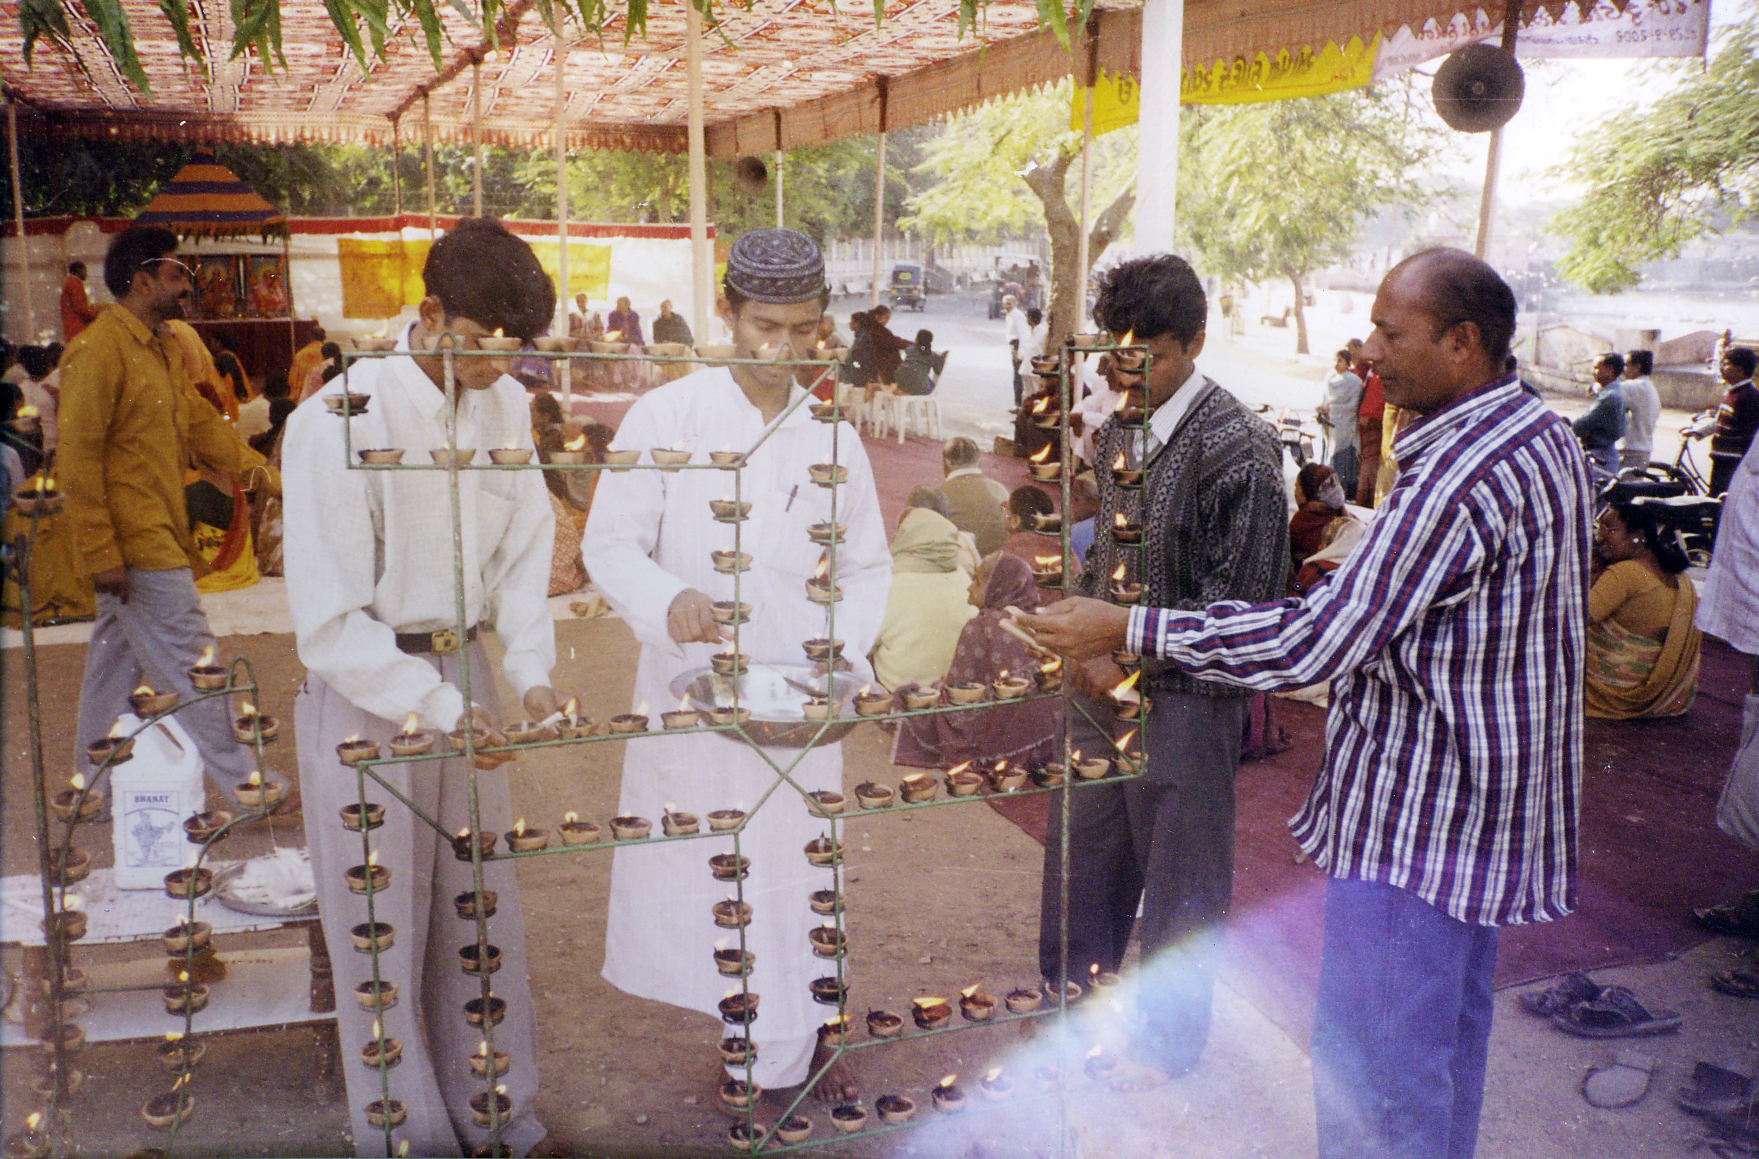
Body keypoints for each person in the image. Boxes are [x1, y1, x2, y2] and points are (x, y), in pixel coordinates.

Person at [1025, 247, 1590, 1159]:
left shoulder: (1455, 473)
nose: (1368, 352)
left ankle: (1168, 1038)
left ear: (1461, 342)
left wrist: (1126, 633)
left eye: (1390, 333)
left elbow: (1311, 635)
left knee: (1373, 1071)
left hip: (1418, 816)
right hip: (1466, 805)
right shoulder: (1531, 434)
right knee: (1428, 1058)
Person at [580, 227, 889, 1106]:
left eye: (801, 330)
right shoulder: (665, 417)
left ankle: (801, 1035)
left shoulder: (833, 434)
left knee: (800, 867)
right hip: (696, 687)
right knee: (712, 869)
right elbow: (610, 544)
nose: (781, 349)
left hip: (798, 695)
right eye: (763, 327)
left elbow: (866, 566)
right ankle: (748, 1036)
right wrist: (667, 596)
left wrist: (841, 660)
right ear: (726, 313)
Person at [281, 217, 564, 1158]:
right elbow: (328, 620)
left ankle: (498, 1117)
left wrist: (529, 673)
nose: (498, 365)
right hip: (368, 689)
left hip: (467, 672)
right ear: (432, 313)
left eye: (514, 348)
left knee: (480, 912)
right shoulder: (337, 420)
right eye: (482, 342)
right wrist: (439, 703)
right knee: (382, 934)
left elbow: (523, 552)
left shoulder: (505, 404)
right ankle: (409, 1140)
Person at [1032, 252, 1287, 1090]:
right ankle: (1073, 1008)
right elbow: (1101, 556)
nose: (1124, 373)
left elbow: (1245, 620)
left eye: (1149, 356)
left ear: (1196, 342)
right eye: (1114, 353)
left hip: (1187, 709)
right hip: (1097, 695)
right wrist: (1080, 638)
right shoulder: (1115, 433)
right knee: (1083, 857)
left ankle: (1166, 1044)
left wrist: (1120, 650)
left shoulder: (1240, 451)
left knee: (1181, 884)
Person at [57, 225, 288, 809]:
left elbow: (202, 426)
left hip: (157, 530)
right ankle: (251, 787)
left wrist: (269, 478)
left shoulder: (161, 348)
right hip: (135, 543)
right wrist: (100, 552)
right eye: (176, 274)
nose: (188, 285)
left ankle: (88, 792)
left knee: (112, 670)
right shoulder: (97, 350)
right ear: (142, 282)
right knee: (195, 660)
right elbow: (76, 461)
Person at [891, 551, 1062, 770]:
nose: (969, 587)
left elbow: (959, 702)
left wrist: (938, 690)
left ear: (995, 589)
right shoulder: (1038, 620)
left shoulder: (980, 627)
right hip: (1045, 740)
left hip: (999, 741)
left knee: (911, 700)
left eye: (977, 582)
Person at [1586, 486, 1701, 719]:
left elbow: (1575, 620)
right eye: (1600, 528)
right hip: (1663, 694)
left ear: (1638, 536)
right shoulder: (1681, 576)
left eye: (1611, 529)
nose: (1600, 537)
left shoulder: (1626, 572)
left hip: (1615, 689)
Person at [871, 490, 976, 691]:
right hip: (958, 691)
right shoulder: (962, 575)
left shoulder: (891, 582)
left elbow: (865, 641)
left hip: (903, 695)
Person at [935, 435, 1010, 558]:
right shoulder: (1000, 489)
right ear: (978, 461)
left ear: (947, 462)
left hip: (960, 562)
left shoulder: (938, 493)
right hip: (999, 561)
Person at [1710, 346, 1758, 497]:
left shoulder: (1748, 397)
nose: (1722, 368)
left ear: (1739, 369)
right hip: (1721, 459)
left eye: (1726, 364)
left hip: (1732, 464)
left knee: (1722, 501)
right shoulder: (1732, 393)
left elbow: (1750, 435)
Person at [1317, 349, 1362, 497]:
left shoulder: (1354, 381)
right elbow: (1324, 399)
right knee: (1326, 458)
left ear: (1348, 363)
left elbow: (1353, 406)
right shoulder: (1329, 378)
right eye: (1335, 360)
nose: (1336, 364)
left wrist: (1332, 409)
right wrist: (1322, 408)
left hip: (1344, 427)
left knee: (1340, 461)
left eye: (1340, 360)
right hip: (1327, 425)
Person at [1573, 352, 1626, 478]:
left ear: (1610, 370)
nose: (1593, 372)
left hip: (1600, 457)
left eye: (1596, 368)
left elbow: (1579, 426)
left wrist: (1582, 430)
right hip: (1605, 453)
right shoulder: (1613, 391)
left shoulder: (1609, 397)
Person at [1350, 337, 1386, 507]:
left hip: (1368, 416)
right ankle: (1366, 500)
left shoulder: (1373, 371)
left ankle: (1364, 499)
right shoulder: (1381, 374)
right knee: (1371, 463)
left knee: (1368, 461)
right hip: (1375, 418)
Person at [1619, 349, 1660, 470]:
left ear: (1637, 367)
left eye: (1625, 364)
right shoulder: (1648, 386)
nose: (1622, 369)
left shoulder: (1634, 386)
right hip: (1642, 450)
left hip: (1630, 450)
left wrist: (1595, 386)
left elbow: (1607, 391)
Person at [998, 484, 1055, 567]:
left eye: (1005, 506)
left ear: (1015, 520)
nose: (1002, 511)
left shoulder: (1006, 555)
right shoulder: (1064, 549)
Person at [892, 329, 946, 396]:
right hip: (919, 386)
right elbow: (938, 370)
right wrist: (942, 358)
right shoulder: (932, 355)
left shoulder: (910, 349)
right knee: (931, 385)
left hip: (900, 381)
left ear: (916, 339)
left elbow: (918, 349)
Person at [60, 261, 99, 342]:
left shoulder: (70, 282)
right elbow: (80, 307)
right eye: (84, 271)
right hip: (76, 327)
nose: (86, 274)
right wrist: (96, 316)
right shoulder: (74, 284)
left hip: (71, 327)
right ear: (78, 270)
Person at [1004, 294, 1030, 407]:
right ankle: (1018, 403)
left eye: (1009, 304)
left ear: (1015, 303)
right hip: (1013, 346)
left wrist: (1020, 352)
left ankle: (1020, 404)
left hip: (1018, 346)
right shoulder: (1009, 315)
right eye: (1005, 304)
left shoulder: (1018, 316)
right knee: (1016, 376)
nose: (1007, 306)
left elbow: (1023, 335)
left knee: (1018, 377)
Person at [287, 325, 327, 397]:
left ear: (310, 337)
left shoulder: (301, 354)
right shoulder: (327, 354)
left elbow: (292, 379)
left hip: (303, 394)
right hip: (323, 394)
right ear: (324, 338)